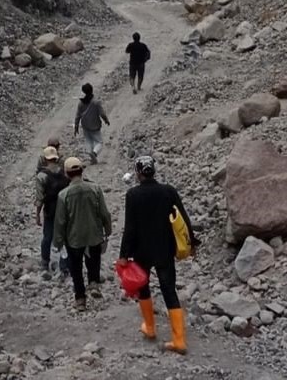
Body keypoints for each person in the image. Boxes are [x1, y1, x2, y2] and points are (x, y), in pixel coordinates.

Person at [118, 156, 198, 355]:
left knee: (143, 287)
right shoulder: (168, 191)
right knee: (169, 290)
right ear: (153, 171)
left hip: (142, 251)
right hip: (165, 249)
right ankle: (179, 340)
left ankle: (150, 328)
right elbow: (183, 218)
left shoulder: (133, 195)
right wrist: (192, 243)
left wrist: (124, 254)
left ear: (138, 173)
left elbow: (130, 227)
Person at [53, 157, 112, 312]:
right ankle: (93, 282)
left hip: (74, 238)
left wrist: (58, 242)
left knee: (76, 269)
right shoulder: (95, 189)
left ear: (66, 174)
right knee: (94, 261)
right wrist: (107, 231)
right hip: (94, 235)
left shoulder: (63, 195)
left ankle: (80, 299)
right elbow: (104, 213)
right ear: (82, 170)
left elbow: (60, 221)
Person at [35, 146, 70, 273]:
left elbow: (39, 198)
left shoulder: (42, 176)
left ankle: (45, 262)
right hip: (64, 210)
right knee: (65, 239)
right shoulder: (65, 173)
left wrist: (38, 214)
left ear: (45, 159)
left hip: (50, 210)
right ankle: (64, 265)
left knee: (47, 237)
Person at [74, 83, 110, 165]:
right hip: (95, 125)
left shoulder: (81, 103)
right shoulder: (96, 102)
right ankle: (94, 152)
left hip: (85, 126)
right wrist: (106, 120)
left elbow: (77, 115)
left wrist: (76, 126)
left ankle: (91, 156)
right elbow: (102, 114)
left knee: (88, 141)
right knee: (99, 142)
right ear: (92, 90)